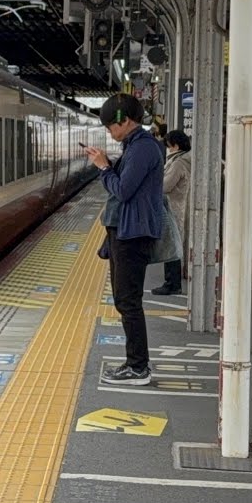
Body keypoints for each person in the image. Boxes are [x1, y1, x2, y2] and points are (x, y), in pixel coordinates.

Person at [85, 93, 167, 386]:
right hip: (125, 232)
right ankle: (136, 364)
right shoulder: (136, 146)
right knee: (125, 300)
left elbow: (123, 190)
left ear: (125, 121)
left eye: (111, 126)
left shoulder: (143, 149)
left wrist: (104, 167)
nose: (110, 132)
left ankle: (138, 367)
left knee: (128, 302)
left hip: (132, 235)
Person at [153, 129, 191, 295]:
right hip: (175, 205)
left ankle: (172, 283)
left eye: (169, 146)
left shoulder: (178, 163)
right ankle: (172, 281)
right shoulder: (181, 160)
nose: (168, 149)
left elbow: (166, 186)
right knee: (173, 243)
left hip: (173, 207)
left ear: (176, 145)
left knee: (171, 245)